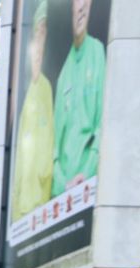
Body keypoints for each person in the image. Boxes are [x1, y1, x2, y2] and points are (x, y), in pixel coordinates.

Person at [51, 0, 105, 196]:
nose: (81, 8)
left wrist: (88, 172)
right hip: (61, 190)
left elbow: (102, 122)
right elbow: (55, 142)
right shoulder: (65, 71)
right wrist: (61, 182)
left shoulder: (97, 52)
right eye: (77, 3)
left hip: (88, 183)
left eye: (86, 3)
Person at [10, 0, 55, 219]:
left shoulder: (47, 88)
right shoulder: (23, 94)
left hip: (41, 207)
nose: (39, 41)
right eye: (36, 33)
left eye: (43, 33)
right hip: (21, 212)